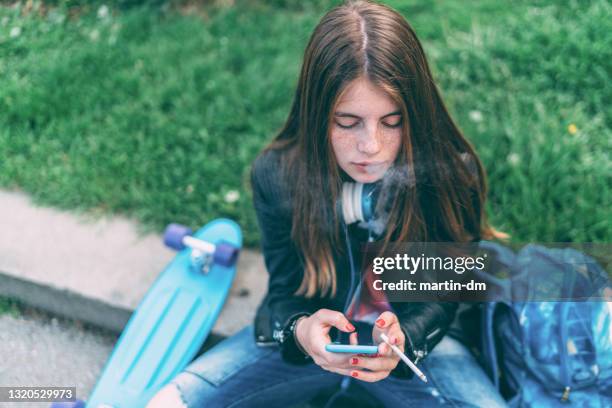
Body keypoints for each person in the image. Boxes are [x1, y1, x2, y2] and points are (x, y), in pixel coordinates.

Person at [147, 1, 509, 406]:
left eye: (391, 122)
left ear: (415, 114)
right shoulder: (278, 175)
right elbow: (284, 295)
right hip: (314, 349)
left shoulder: (449, 174)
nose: (370, 146)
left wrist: (406, 339)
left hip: (418, 349)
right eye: (347, 122)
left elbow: (443, 297)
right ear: (317, 113)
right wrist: (300, 332)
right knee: (173, 401)